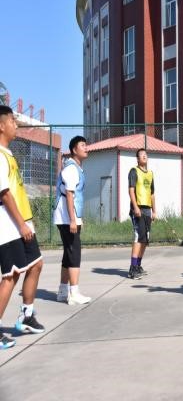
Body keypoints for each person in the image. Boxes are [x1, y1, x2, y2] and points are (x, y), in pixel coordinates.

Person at [0, 106, 45, 349]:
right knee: (11, 275)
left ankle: (26, 315)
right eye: (12, 121)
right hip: (8, 225)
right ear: (1, 126)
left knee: (36, 264)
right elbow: (5, 194)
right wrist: (20, 224)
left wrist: (27, 222)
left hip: (22, 222)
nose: (15, 125)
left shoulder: (8, 154)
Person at [53, 135, 91, 304]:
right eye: (83, 145)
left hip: (68, 217)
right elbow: (69, 195)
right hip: (67, 218)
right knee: (74, 253)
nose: (86, 147)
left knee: (69, 253)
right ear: (74, 150)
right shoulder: (71, 169)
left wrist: (77, 219)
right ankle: (74, 293)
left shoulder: (76, 167)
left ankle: (62, 291)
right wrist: (73, 220)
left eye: (86, 145)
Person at [127, 149, 156, 279]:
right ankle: (132, 269)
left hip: (148, 210)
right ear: (138, 159)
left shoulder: (150, 173)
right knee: (138, 237)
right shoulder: (134, 171)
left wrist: (154, 210)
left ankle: (138, 265)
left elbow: (152, 194)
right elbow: (131, 191)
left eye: (146, 155)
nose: (144, 156)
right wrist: (135, 207)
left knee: (145, 240)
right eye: (141, 155)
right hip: (138, 209)